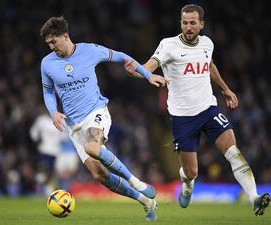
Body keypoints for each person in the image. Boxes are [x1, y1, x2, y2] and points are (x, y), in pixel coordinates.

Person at [124, 4, 270, 216]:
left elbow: (209, 65)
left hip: (208, 109)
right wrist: (135, 72)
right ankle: (188, 184)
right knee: (192, 172)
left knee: (233, 152)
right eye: (185, 22)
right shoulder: (169, 46)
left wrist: (225, 89)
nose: (188, 27)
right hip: (182, 118)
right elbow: (148, 67)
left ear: (202, 24)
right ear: (181, 23)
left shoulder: (207, 43)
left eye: (193, 23)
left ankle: (254, 198)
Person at [39, 16, 166, 221]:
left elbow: (122, 56)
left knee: (93, 148)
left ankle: (135, 181)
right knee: (100, 175)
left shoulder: (89, 50)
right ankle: (144, 201)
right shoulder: (47, 64)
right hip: (73, 125)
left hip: (95, 112)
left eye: (54, 41)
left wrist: (147, 75)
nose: (51, 46)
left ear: (65, 36)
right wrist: (53, 112)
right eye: (48, 44)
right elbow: (47, 92)